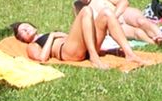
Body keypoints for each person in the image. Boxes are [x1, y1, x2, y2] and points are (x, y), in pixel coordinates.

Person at [11, 4, 153, 70]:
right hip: (68, 52)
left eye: (26, 25)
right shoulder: (32, 45)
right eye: (22, 31)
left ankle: (130, 54)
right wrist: (53, 36)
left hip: (79, 46)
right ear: (22, 39)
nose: (26, 28)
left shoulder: (46, 34)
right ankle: (94, 57)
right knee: (85, 10)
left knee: (106, 13)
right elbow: (42, 58)